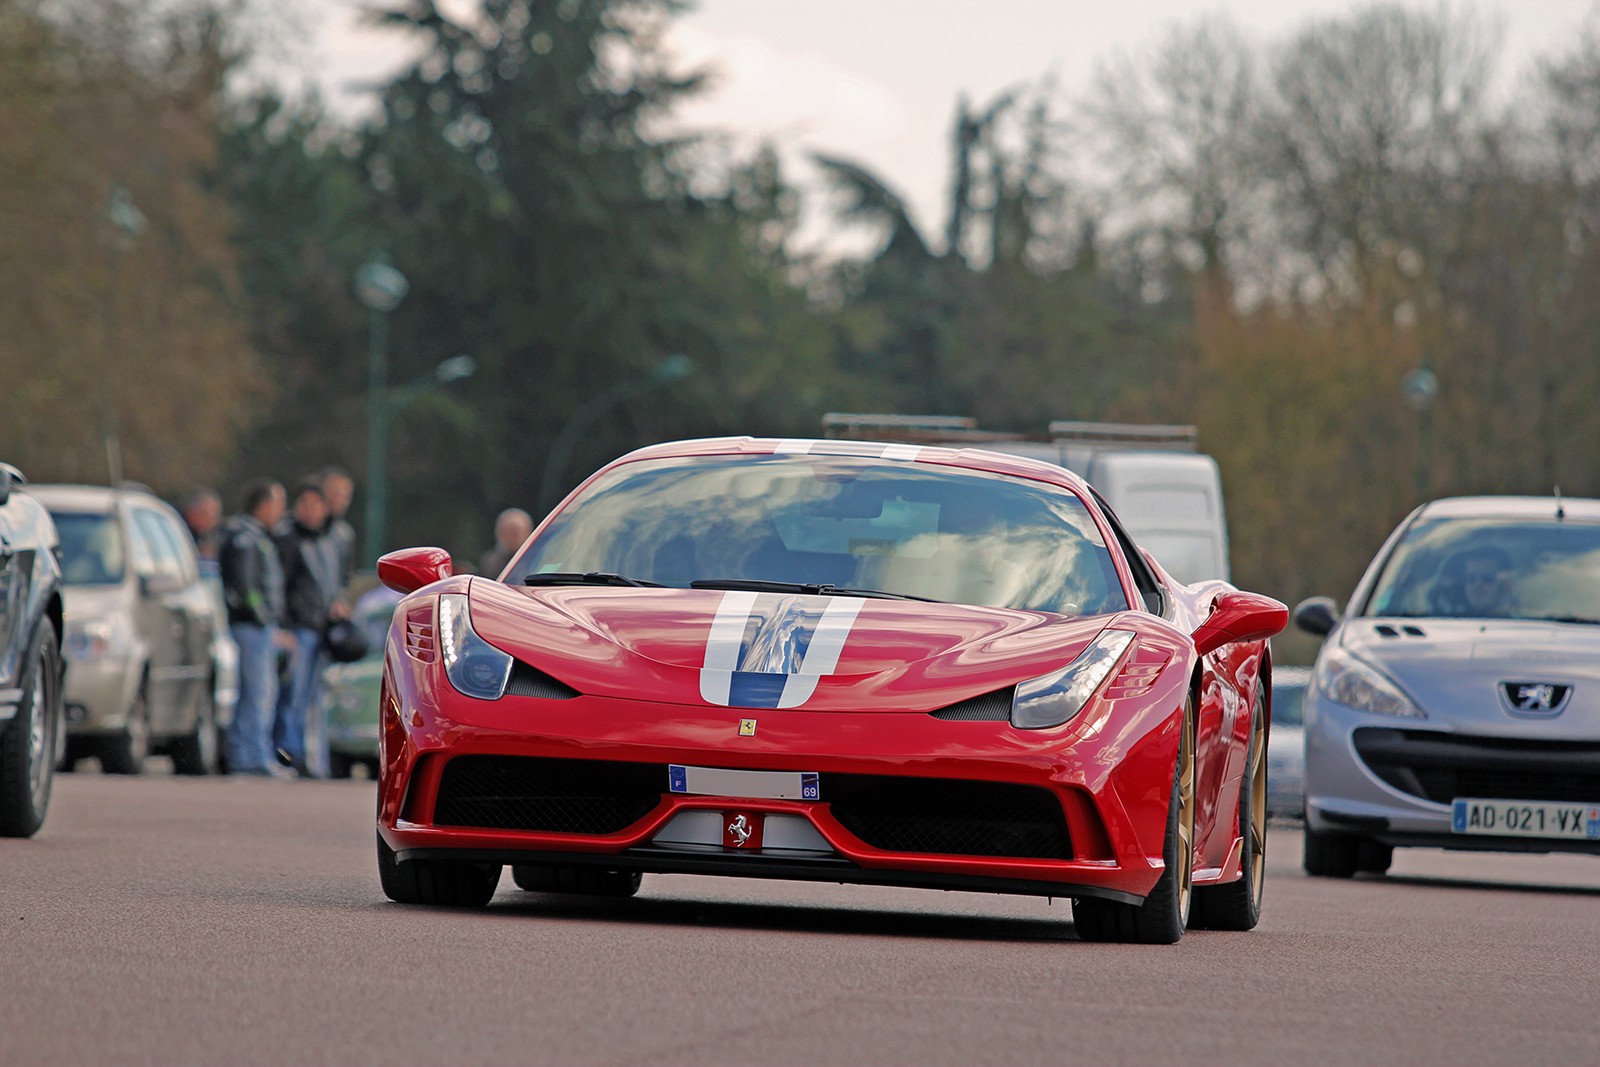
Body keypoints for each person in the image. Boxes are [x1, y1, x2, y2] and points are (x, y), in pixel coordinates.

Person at [273, 480, 350, 778]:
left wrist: (339, 603)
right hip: (299, 627)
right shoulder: (288, 540)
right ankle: (289, 753)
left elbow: (339, 579)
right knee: (293, 694)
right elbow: (280, 587)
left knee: (315, 696)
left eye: (316, 505)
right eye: (305, 505)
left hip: (323, 627)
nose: (311, 511)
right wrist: (284, 625)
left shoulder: (333, 539)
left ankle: (313, 757)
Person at [219, 479, 290, 778]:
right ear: (263, 505)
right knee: (258, 694)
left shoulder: (250, 535)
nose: (281, 512)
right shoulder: (246, 537)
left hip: (256, 627)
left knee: (256, 692)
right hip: (252, 628)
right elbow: (247, 588)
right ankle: (252, 757)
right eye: (278, 504)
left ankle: (248, 754)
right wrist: (264, 621)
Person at [1433, 545, 1515, 618]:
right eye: (1471, 578)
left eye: (1487, 578)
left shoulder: (1522, 626)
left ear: (1504, 584)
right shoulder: (1446, 625)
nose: (1477, 584)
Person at [317, 466, 357, 585]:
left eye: (345, 495)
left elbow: (344, 576)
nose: (340, 500)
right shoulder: (293, 531)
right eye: (335, 493)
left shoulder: (344, 534)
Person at [179, 487, 223, 573]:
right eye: (211, 516)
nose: (214, 521)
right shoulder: (176, 528)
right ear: (192, 512)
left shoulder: (200, 532)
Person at [479, 507, 533, 576]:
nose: (509, 538)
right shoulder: (490, 563)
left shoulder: (537, 562)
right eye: (505, 533)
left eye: (514, 534)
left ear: (527, 533)